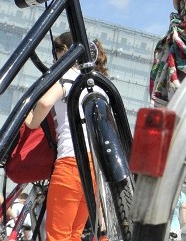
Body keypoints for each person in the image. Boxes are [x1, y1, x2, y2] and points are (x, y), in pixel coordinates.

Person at [25, 33, 108, 241]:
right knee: (74, 235)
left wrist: (31, 121)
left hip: (71, 163)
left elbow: (45, 103)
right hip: (94, 168)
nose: (54, 60)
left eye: (56, 53)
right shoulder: (97, 83)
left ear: (68, 52)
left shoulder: (67, 77)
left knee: (58, 235)